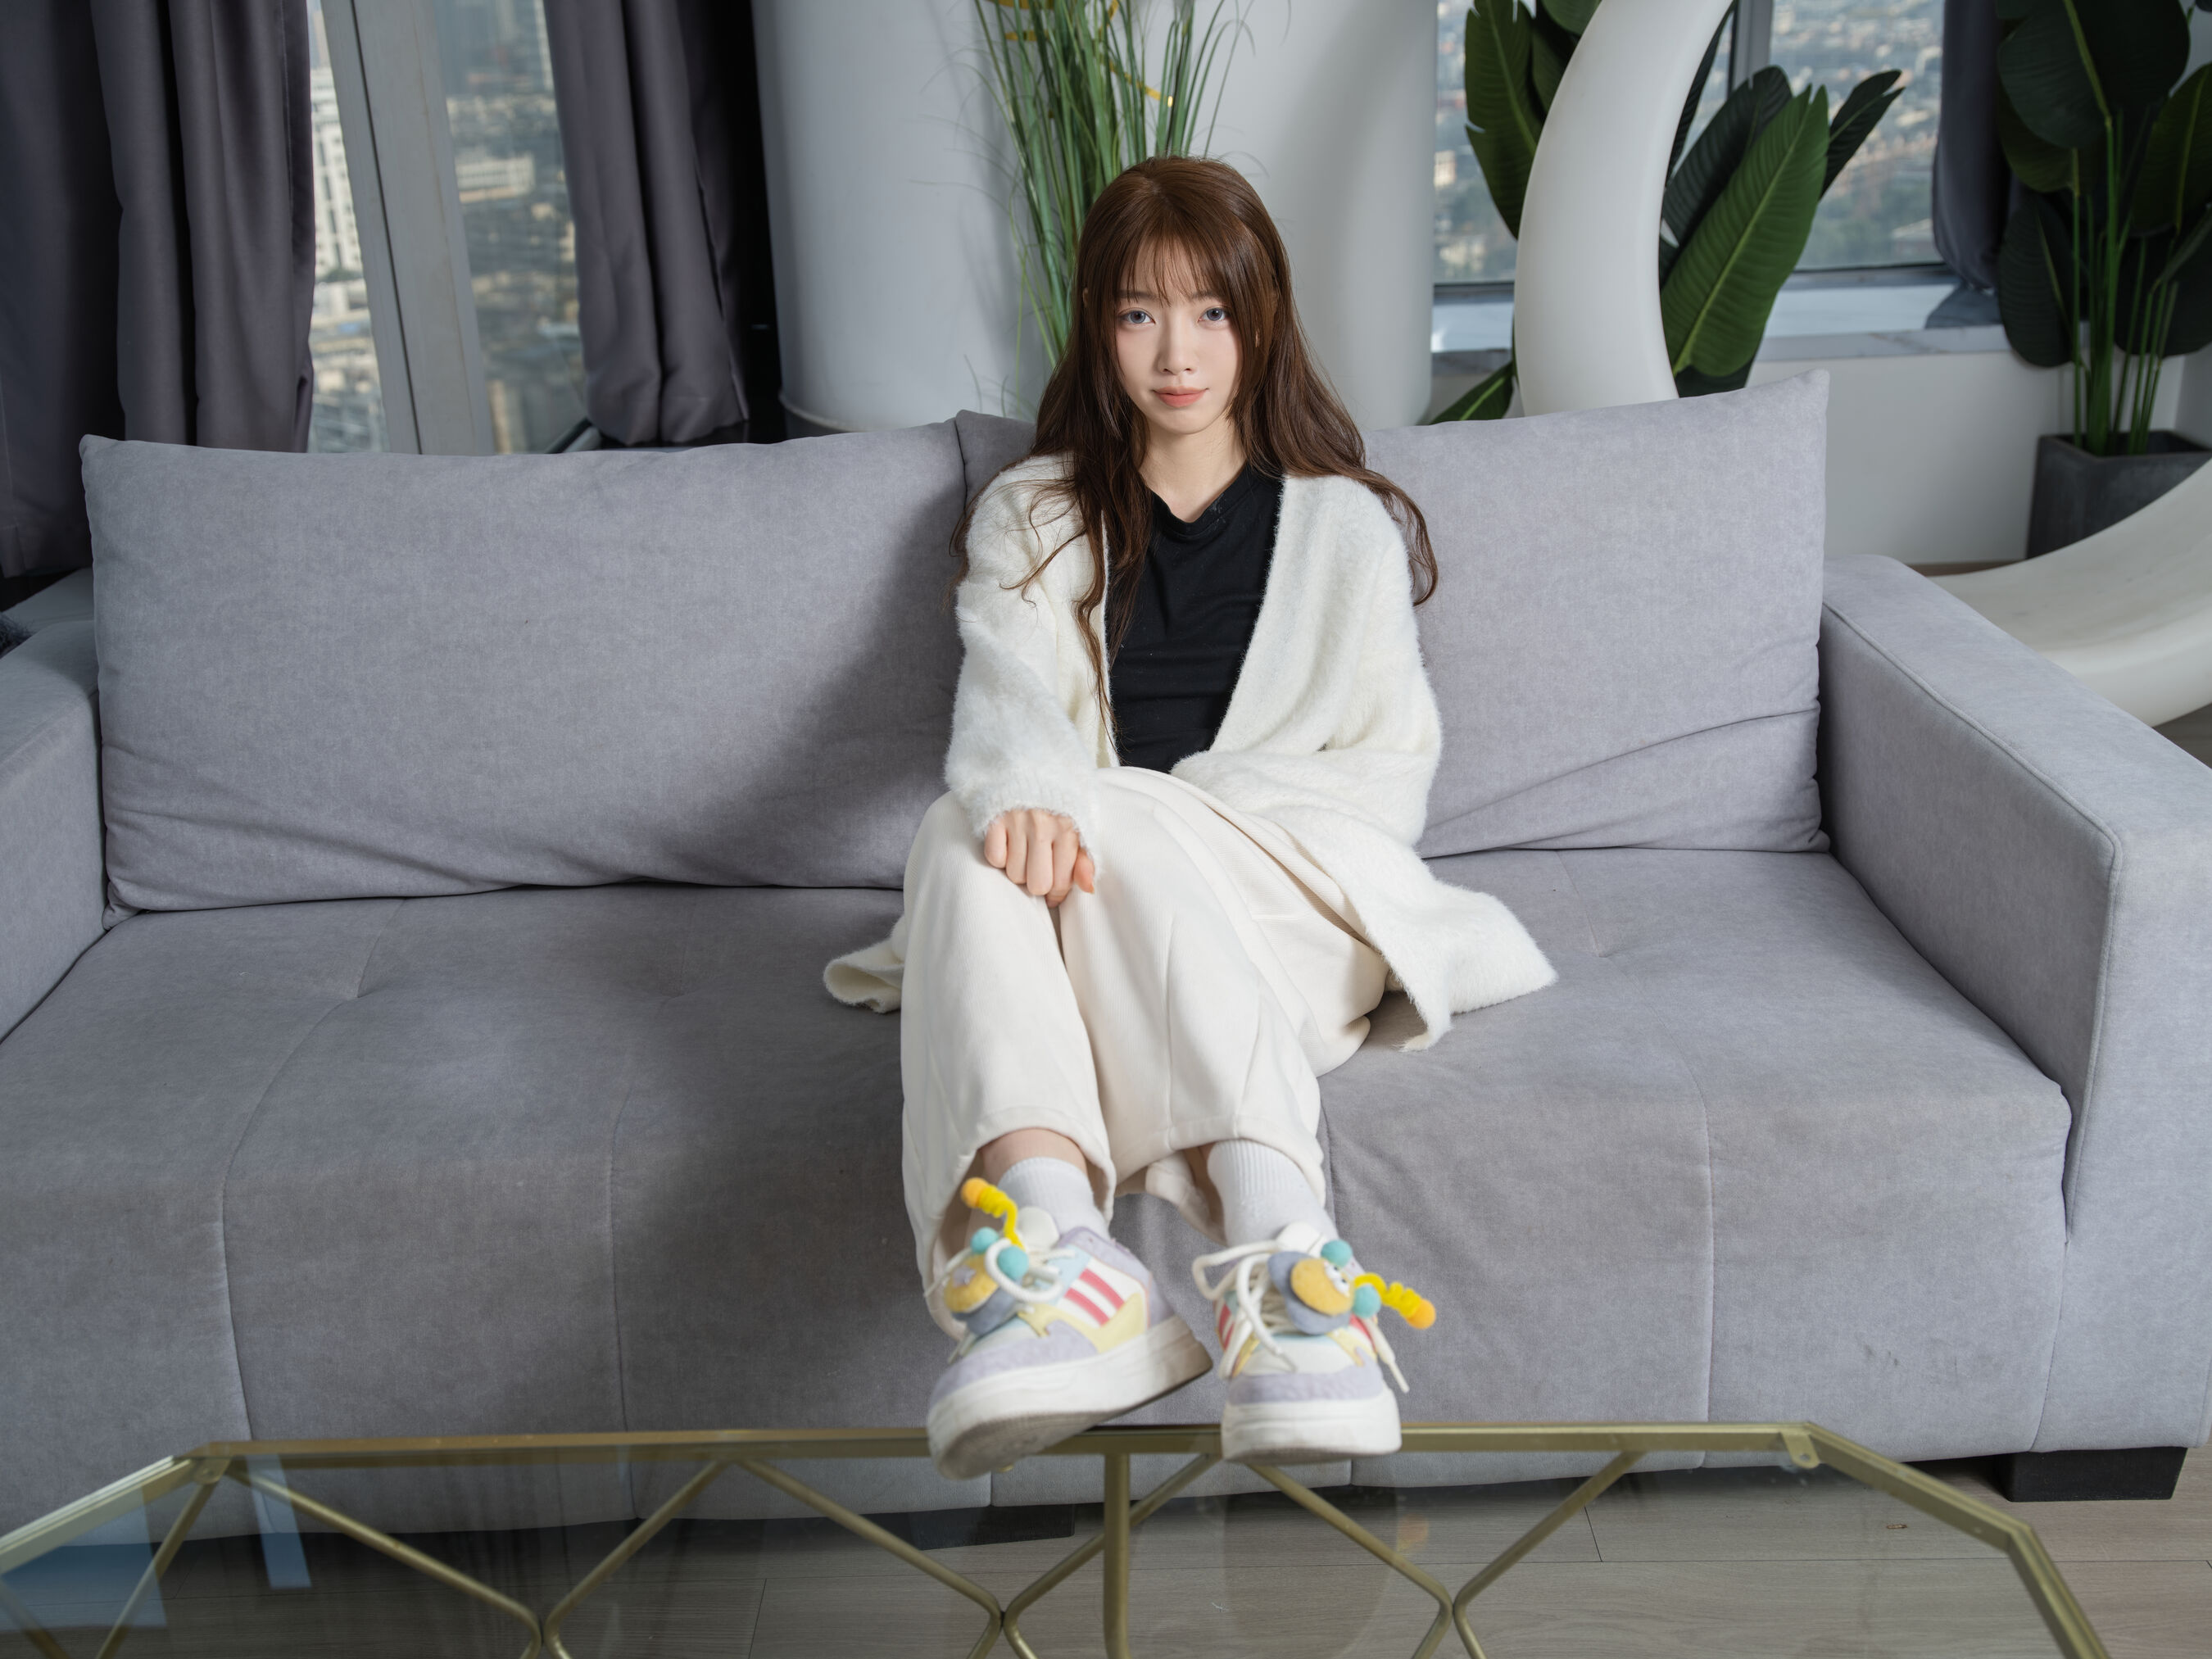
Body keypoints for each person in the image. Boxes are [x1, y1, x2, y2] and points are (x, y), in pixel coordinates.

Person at [827, 156, 1555, 1482]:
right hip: (1092, 919)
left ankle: (1273, 1238)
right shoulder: (1032, 515)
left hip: (1291, 912)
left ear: (1260, 319)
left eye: (1211, 311)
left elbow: (1387, 777)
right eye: (1140, 313)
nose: (1178, 353)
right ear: (1099, 327)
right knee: (960, 830)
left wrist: (1143, 810)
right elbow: (1008, 719)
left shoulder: (1345, 532)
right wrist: (1050, 805)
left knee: (1063, 815)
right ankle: (1076, 1256)